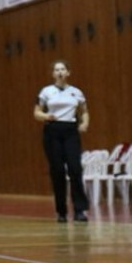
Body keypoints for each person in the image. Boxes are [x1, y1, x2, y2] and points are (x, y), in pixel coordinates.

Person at [34, 60, 90, 222]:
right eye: (57, 70)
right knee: (57, 170)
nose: (60, 72)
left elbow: (84, 111)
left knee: (75, 168)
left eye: (63, 69)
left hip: (70, 130)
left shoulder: (76, 92)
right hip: (53, 130)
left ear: (68, 72)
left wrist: (84, 123)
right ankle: (61, 211)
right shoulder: (46, 92)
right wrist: (46, 116)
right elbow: (37, 112)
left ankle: (80, 210)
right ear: (53, 74)